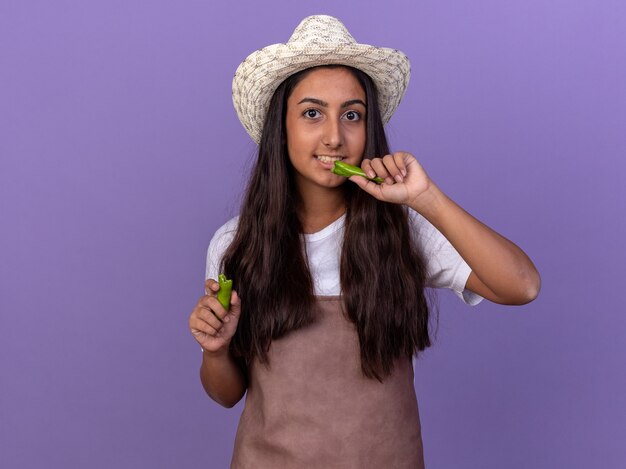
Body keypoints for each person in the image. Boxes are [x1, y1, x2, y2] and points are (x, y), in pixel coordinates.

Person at [188, 15, 540, 469]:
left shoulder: (403, 228)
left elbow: (522, 285)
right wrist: (215, 348)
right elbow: (226, 394)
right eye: (312, 113)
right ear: (282, 128)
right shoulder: (235, 243)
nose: (334, 137)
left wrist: (425, 198)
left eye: (351, 115)